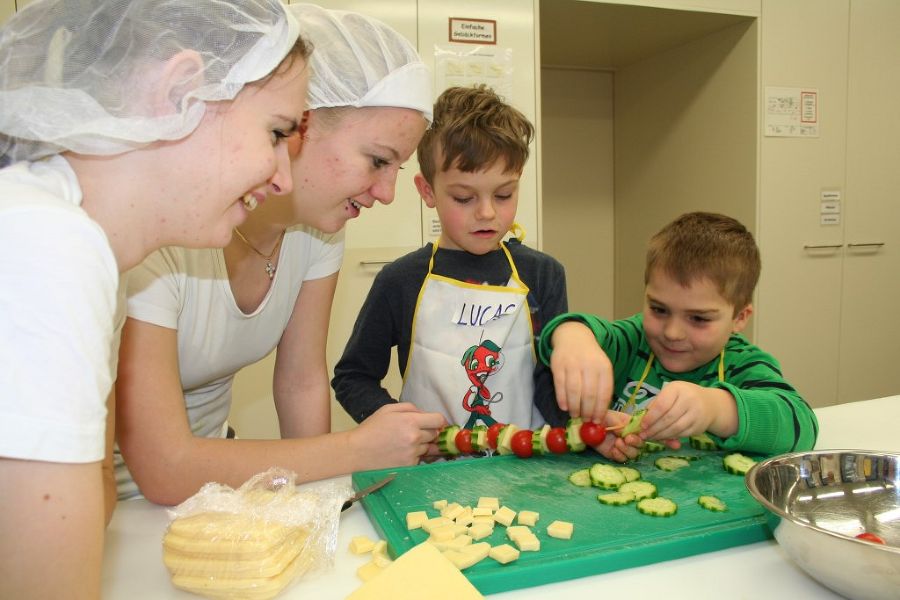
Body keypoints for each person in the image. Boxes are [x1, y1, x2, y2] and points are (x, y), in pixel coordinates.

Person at [0, 0, 309, 597]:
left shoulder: (92, 250)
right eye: (275, 133)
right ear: (177, 93)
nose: (284, 178)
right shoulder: (45, 241)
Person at [113, 3, 446, 507]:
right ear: (299, 126)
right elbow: (164, 466)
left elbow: (300, 380)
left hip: (220, 488)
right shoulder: (162, 233)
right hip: (113, 503)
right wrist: (355, 448)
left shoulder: (318, 232)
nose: (386, 193)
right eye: (377, 160)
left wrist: (319, 508)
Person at [332, 84, 570, 436]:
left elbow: (551, 381)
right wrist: (400, 427)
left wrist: (581, 418)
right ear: (427, 191)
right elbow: (353, 377)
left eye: (504, 194)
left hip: (525, 465)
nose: (487, 213)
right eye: (463, 198)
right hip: (430, 470)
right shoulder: (401, 280)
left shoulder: (543, 274)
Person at [538, 212, 819, 462]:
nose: (672, 333)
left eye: (698, 318)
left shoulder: (743, 364)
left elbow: (801, 426)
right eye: (659, 309)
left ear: (739, 318)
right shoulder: (634, 342)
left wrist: (716, 408)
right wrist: (572, 337)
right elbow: (584, 329)